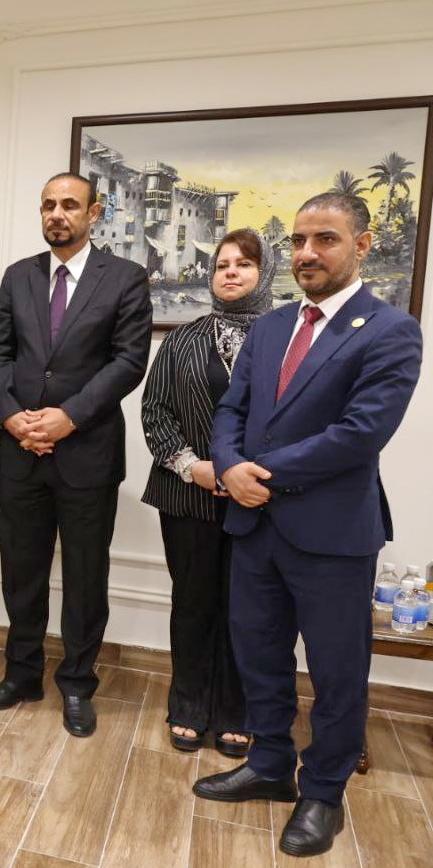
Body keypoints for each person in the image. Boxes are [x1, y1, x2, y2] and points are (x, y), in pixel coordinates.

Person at [194, 194, 422, 858]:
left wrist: (255, 473)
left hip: (331, 535)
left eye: (325, 239)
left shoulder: (390, 329)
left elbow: (359, 433)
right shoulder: (271, 326)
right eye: (297, 240)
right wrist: (228, 464)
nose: (306, 253)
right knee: (260, 657)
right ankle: (269, 765)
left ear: (362, 245)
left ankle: (323, 792)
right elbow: (232, 409)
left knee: (336, 673)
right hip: (254, 526)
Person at [0, 172, 152, 737]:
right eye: (48, 205)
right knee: (20, 572)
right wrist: (11, 416)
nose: (57, 214)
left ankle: (77, 683)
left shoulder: (124, 278)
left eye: (69, 205)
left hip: (87, 455)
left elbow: (128, 361)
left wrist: (68, 417)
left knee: (84, 577)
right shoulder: (18, 275)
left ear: (93, 214)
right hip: (20, 450)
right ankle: (21, 675)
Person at [141, 228, 273, 756]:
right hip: (188, 497)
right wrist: (191, 466)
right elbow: (155, 411)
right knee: (193, 604)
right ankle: (190, 704)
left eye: (244, 263)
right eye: (222, 265)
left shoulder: (288, 340)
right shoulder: (182, 339)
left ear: (264, 272)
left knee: (248, 609)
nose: (231, 272)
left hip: (260, 499)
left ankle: (237, 710)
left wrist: (251, 473)